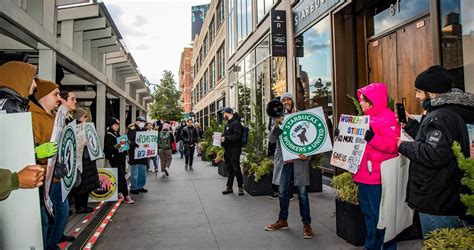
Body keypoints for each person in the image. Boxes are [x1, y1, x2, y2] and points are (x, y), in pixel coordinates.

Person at [398, 65, 474, 236]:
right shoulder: (447, 112)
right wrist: (411, 126)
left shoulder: (441, 116)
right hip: (445, 197)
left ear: (431, 92)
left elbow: (434, 154)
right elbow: (440, 144)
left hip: (438, 201)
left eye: (419, 91)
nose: (417, 96)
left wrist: (402, 145)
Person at [352, 83, 399, 249]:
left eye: (364, 101)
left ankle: (387, 247)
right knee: (369, 215)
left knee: (381, 217)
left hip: (378, 177)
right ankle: (371, 246)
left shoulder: (388, 118)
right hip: (364, 175)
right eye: (361, 100)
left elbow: (393, 145)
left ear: (374, 101)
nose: (361, 104)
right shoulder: (364, 119)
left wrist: (373, 139)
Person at [264, 92, 314, 239]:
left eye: (288, 100)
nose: (286, 102)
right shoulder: (277, 117)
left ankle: (307, 224)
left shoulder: (301, 116)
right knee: (283, 192)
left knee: (303, 194)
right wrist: (277, 124)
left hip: (300, 161)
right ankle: (282, 220)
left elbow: (310, 138)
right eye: (283, 100)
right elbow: (272, 139)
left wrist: (308, 155)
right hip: (284, 161)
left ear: (292, 101)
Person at [30, 78, 68, 249]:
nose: (59, 98)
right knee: (47, 220)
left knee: (60, 216)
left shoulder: (54, 117)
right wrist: (40, 154)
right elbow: (30, 150)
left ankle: (51, 245)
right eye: (56, 94)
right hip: (44, 180)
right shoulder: (33, 118)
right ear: (44, 97)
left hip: (56, 177)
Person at [72, 108, 100, 214]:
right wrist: (81, 144)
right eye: (84, 116)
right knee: (82, 185)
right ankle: (80, 207)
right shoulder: (75, 128)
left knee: (87, 185)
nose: (86, 118)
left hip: (88, 159)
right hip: (82, 160)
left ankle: (83, 205)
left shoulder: (87, 127)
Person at [104, 117, 134, 204]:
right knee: (121, 177)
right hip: (115, 159)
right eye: (115, 125)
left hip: (121, 158)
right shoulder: (109, 135)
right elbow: (106, 149)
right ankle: (126, 195)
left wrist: (126, 146)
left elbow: (123, 146)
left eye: (118, 125)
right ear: (111, 125)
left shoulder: (117, 133)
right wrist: (116, 146)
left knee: (119, 176)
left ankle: (119, 193)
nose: (117, 126)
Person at [221, 107, 244, 196]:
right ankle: (229, 187)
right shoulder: (227, 124)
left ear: (228, 113)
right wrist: (219, 137)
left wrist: (225, 138)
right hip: (227, 149)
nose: (223, 115)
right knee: (229, 169)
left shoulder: (236, 123)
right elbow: (225, 135)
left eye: (224, 113)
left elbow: (237, 136)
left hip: (235, 149)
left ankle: (240, 187)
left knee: (236, 168)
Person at [127, 116, 149, 195]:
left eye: (144, 122)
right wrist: (135, 144)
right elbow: (129, 141)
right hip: (134, 154)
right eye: (141, 122)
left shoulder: (144, 130)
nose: (142, 123)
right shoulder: (132, 129)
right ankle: (134, 187)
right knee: (135, 173)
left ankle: (140, 186)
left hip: (143, 155)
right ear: (137, 121)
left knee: (142, 173)